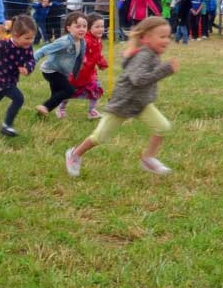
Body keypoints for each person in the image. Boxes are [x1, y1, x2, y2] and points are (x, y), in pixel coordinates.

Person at [64, 16, 177, 178]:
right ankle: (74, 154)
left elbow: (127, 64)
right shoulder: (145, 55)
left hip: (140, 103)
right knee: (100, 137)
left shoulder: (151, 53)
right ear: (145, 38)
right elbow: (137, 79)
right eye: (162, 37)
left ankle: (148, 158)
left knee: (163, 127)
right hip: (123, 104)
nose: (167, 40)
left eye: (168, 37)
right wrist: (166, 69)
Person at [33, 11, 89, 117]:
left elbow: (80, 57)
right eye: (78, 26)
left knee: (56, 96)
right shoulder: (65, 41)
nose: (82, 29)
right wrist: (31, 61)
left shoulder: (82, 42)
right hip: (51, 70)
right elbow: (44, 50)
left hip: (62, 72)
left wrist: (81, 64)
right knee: (69, 90)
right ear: (68, 28)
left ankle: (40, 115)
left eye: (84, 26)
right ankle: (45, 107)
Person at [64, 14, 109, 118]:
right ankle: (61, 108)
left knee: (96, 89)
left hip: (90, 73)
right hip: (77, 73)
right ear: (89, 28)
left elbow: (98, 55)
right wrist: (80, 58)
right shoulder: (85, 40)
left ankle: (92, 111)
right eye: (97, 27)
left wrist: (102, 63)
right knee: (68, 92)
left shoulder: (98, 41)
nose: (101, 29)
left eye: (102, 26)